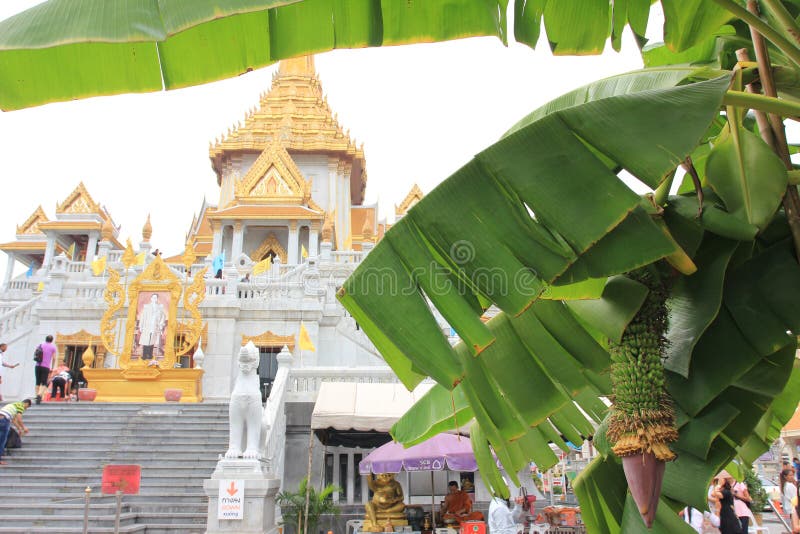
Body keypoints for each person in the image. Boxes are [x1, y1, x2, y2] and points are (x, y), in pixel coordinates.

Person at [0, 399, 31, 465]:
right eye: (27, 407)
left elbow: (14, 420)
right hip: (3, 420)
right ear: (27, 404)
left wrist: (19, 429)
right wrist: (24, 427)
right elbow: (19, 418)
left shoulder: (13, 405)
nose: (25, 409)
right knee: (2, 441)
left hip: (2, 417)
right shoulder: (21, 405)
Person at [138, 294, 166, 360]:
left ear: (157, 299)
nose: (154, 298)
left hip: (155, 326)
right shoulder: (147, 307)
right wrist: (141, 326)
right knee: (146, 340)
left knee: (152, 340)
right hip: (147, 325)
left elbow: (163, 316)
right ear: (151, 298)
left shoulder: (159, 307)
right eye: (153, 297)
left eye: (156, 297)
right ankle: (144, 355)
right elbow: (143, 316)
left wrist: (161, 324)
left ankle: (150, 355)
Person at [34, 335, 57, 404]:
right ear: (52, 340)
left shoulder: (40, 345)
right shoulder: (53, 347)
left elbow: (35, 353)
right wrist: (52, 367)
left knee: (37, 381)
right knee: (44, 382)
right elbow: (54, 358)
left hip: (38, 365)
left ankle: (36, 395)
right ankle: (39, 395)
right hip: (46, 366)